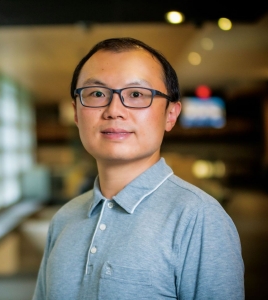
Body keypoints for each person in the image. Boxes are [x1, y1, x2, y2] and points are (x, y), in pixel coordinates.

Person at [32, 37, 244, 300]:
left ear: (171, 114)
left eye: (136, 94)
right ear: (76, 113)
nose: (114, 111)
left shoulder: (199, 219)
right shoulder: (64, 219)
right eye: (97, 94)